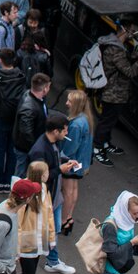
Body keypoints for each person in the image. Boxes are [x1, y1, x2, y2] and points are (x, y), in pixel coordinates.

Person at [27, 112, 79, 274]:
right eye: (64, 130)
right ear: (56, 131)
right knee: (51, 229)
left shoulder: (52, 144)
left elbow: (56, 158)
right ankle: (50, 260)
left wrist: (66, 161)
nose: (66, 133)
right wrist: (60, 170)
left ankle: (51, 259)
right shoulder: (40, 151)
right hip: (46, 198)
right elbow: (40, 177)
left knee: (53, 229)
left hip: (54, 197)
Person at [94, 26, 138, 166]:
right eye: (132, 30)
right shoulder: (116, 50)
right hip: (113, 93)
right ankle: (97, 148)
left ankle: (105, 143)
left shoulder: (114, 43)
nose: (134, 33)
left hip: (111, 90)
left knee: (109, 120)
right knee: (106, 121)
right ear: (123, 30)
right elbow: (130, 72)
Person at [16, 161, 57, 274]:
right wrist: (16, 247)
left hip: (39, 241)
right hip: (26, 242)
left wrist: (51, 237)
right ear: (40, 175)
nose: (48, 174)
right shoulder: (24, 191)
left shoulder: (45, 190)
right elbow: (18, 221)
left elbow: (50, 214)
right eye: (46, 172)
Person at [0, 48, 26, 193]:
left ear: (1, 60)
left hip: (0, 118)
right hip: (14, 119)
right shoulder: (21, 76)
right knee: (12, 151)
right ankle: (9, 181)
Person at [59, 90, 94, 235]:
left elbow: (70, 147)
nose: (66, 103)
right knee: (73, 190)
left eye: (69, 101)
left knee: (67, 191)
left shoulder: (75, 125)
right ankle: (68, 217)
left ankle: (62, 221)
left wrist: (62, 159)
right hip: (80, 163)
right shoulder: (86, 119)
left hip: (71, 162)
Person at [13, 72, 52, 178]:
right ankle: (17, 193)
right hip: (26, 149)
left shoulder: (35, 98)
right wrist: (37, 148)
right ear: (44, 89)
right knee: (21, 174)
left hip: (28, 146)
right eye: (48, 87)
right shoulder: (29, 108)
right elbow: (26, 132)